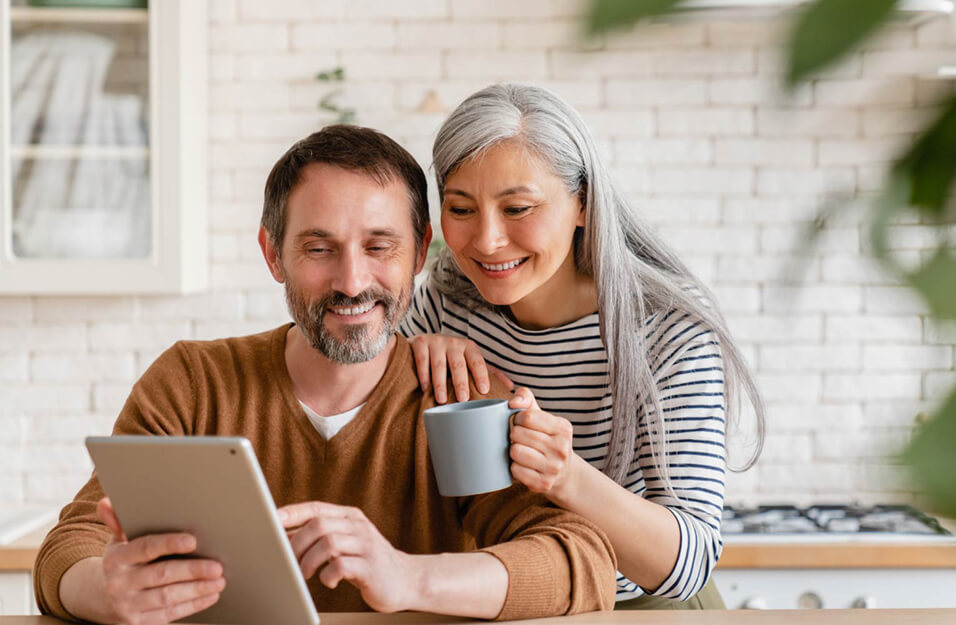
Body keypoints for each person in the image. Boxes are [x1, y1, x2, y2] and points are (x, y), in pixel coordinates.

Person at [33, 125, 617, 625]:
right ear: (273, 254)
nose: (351, 281)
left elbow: (583, 563)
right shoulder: (194, 382)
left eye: (379, 246)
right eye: (319, 248)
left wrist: (407, 577)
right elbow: (69, 547)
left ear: (419, 256)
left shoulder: (461, 396)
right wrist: (106, 591)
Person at [400, 83, 765, 609]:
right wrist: (409, 354)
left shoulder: (665, 329)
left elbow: (690, 562)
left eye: (518, 208)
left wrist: (565, 475)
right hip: (510, 598)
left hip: (637, 603)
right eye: (461, 209)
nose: (486, 240)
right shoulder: (447, 304)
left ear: (583, 205)